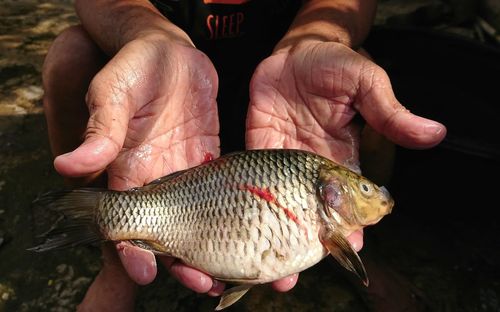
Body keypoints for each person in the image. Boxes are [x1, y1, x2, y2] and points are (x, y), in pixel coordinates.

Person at [41, 0, 446, 310]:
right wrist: (148, 35)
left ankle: (363, 256)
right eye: (363, 188)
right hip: (173, 101)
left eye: (364, 188)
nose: (374, 194)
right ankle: (116, 258)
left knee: (362, 71)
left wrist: (315, 36)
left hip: (291, 94)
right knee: (70, 53)